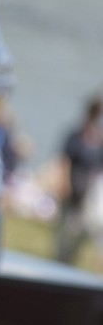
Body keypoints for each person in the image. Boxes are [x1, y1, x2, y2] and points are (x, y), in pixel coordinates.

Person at [55, 96, 103, 265]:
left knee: (79, 232)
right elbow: (65, 160)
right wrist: (64, 182)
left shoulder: (99, 140)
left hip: (87, 193)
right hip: (71, 189)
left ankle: (70, 262)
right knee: (65, 233)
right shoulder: (75, 135)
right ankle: (59, 261)